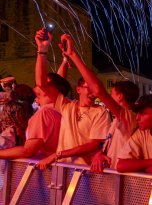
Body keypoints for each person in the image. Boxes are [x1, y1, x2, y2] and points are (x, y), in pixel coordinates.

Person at [59, 34, 139, 172]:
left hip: (119, 178)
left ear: (120, 96)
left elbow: (98, 91)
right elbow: (110, 145)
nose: (108, 97)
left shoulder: (127, 116)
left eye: (112, 94)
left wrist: (73, 55)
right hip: (111, 174)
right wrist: (100, 154)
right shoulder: (117, 120)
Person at [34, 28, 111, 169]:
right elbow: (41, 84)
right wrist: (42, 50)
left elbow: (92, 145)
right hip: (63, 168)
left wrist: (58, 154)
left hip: (85, 171)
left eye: (94, 88)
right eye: (89, 88)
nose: (93, 92)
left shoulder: (100, 112)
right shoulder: (67, 106)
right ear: (79, 89)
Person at [0, 84, 36, 149]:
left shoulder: (12, 104)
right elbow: (22, 127)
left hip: (10, 137)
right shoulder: (17, 107)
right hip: (15, 140)